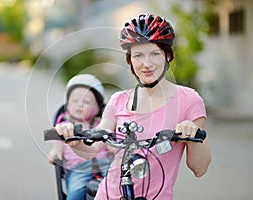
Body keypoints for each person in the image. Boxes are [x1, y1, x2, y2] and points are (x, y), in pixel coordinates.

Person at [54, 14, 212, 200]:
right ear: (130, 60)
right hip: (109, 194)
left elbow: (199, 168)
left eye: (155, 53)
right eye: (138, 55)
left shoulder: (188, 100)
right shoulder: (118, 100)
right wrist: (75, 142)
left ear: (168, 56)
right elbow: (94, 147)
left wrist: (193, 136)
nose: (146, 64)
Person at [48, 74, 111, 200]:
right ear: (67, 104)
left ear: (97, 107)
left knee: (115, 186)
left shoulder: (101, 124)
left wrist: (115, 148)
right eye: (75, 101)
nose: (79, 105)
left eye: (86, 102)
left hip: (105, 165)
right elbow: (57, 144)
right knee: (75, 193)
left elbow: (110, 142)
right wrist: (55, 151)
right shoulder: (64, 126)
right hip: (78, 169)